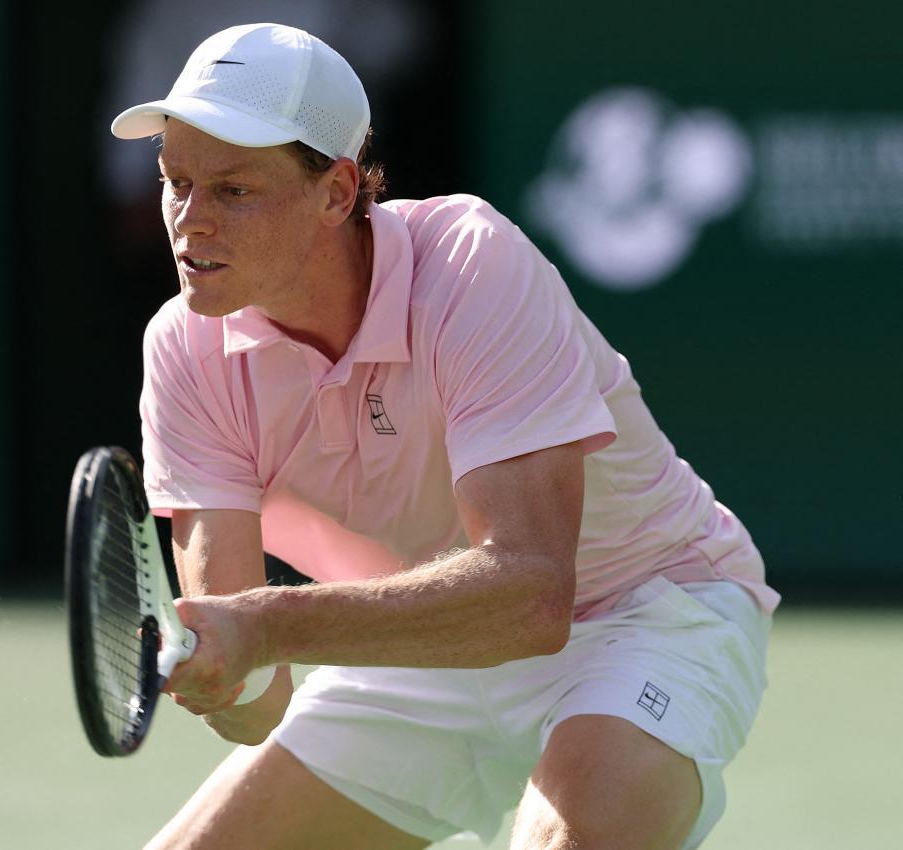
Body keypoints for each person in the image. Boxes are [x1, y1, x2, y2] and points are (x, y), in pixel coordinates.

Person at [110, 23, 778, 850]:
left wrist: (267, 624)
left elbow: (532, 595)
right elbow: (260, 702)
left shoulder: (469, 262)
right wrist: (222, 670)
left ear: (337, 191)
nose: (190, 220)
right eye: (177, 183)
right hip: (420, 649)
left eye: (233, 190)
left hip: (641, 612)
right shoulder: (182, 347)